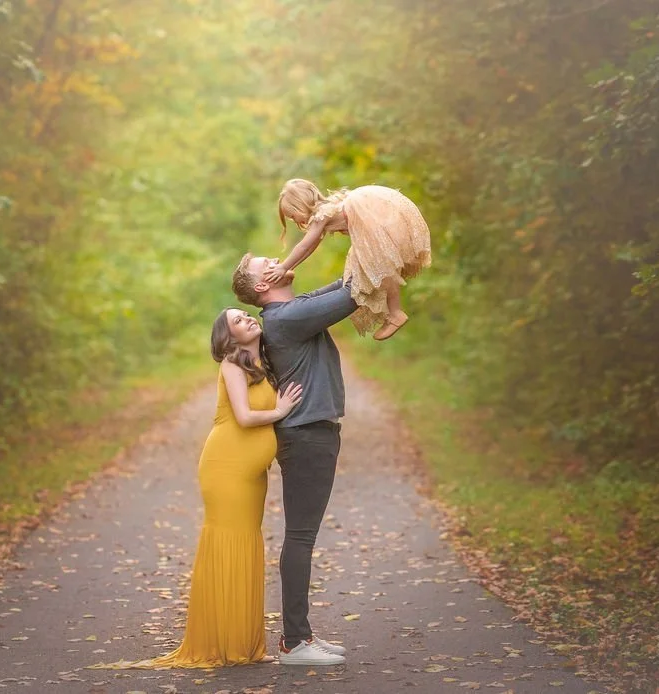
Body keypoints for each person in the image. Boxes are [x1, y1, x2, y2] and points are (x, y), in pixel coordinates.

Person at [90, 308, 302, 669]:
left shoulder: (263, 364)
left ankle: (244, 645)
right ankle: (221, 644)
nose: (248, 319)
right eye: (238, 320)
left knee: (246, 544)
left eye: (247, 314)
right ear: (229, 337)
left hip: (252, 474)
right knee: (228, 543)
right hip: (226, 467)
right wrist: (280, 410)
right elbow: (244, 417)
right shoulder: (232, 365)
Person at [231, 253, 355, 666]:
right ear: (262, 285)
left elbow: (346, 281)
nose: (279, 258)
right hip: (307, 436)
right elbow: (357, 291)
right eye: (267, 261)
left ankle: (300, 636)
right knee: (301, 536)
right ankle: (295, 642)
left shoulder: (292, 310)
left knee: (302, 535)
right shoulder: (286, 318)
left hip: (312, 433)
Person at [267, 178, 432, 341]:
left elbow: (304, 246)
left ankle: (395, 313)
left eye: (292, 215)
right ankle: (394, 312)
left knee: (380, 267)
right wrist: (289, 268)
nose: (294, 220)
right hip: (376, 223)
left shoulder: (321, 215)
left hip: (374, 224)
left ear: (300, 205)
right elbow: (310, 248)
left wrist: (283, 267)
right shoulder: (326, 211)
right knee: (379, 268)